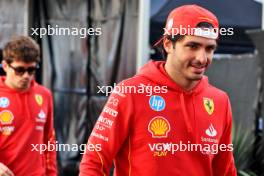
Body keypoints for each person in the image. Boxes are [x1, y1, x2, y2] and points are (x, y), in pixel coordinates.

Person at [79, 4, 237, 176]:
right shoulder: (130, 92)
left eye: (209, 48)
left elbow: (225, 170)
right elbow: (94, 162)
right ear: (168, 44)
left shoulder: (219, 101)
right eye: (192, 46)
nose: (202, 58)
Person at [0, 36, 57, 176]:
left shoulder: (44, 95)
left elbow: (49, 140)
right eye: (19, 70)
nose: (26, 76)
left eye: (31, 70)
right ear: (5, 66)